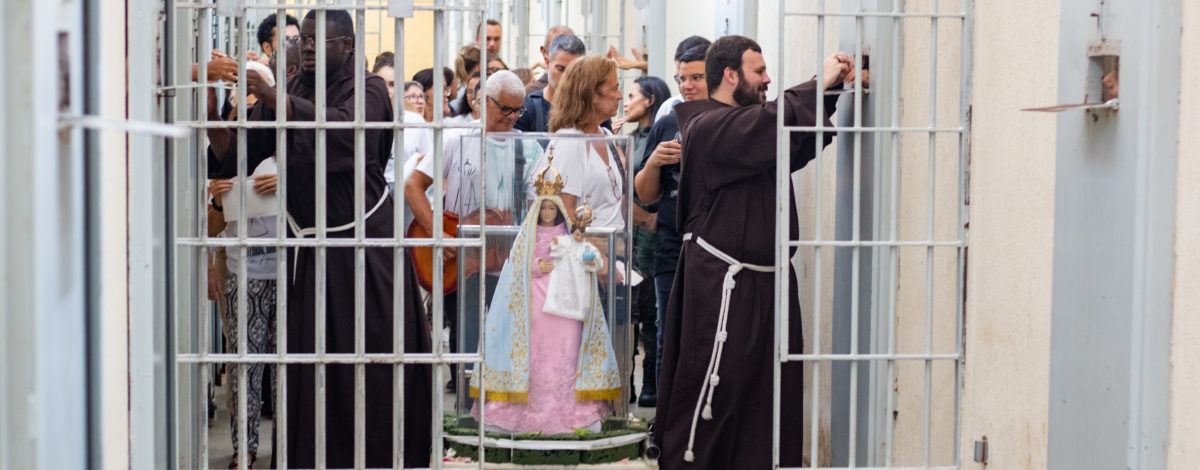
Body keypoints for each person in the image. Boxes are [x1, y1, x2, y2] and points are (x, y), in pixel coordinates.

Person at [210, 10, 433, 468]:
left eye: (317, 41)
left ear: (347, 46)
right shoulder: (291, 88)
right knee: (313, 365)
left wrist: (276, 94)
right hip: (310, 252)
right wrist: (211, 107)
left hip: (365, 249)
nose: (307, 47)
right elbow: (239, 153)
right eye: (303, 40)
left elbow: (345, 136)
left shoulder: (370, 88)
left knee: (369, 360)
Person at [652, 36, 852, 469]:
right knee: (718, 390)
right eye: (759, 72)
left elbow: (791, 139)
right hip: (724, 284)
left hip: (768, 282)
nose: (767, 80)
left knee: (768, 393)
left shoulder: (747, 130)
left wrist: (832, 92)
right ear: (730, 74)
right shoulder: (706, 127)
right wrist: (819, 83)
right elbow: (771, 122)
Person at [403, 70, 541, 394]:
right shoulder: (454, 139)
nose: (511, 117)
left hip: (506, 258)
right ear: (482, 102)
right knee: (465, 337)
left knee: (506, 334)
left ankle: (501, 406)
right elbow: (413, 186)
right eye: (504, 108)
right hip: (461, 259)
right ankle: (467, 407)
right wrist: (438, 233)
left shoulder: (529, 148)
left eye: (517, 110)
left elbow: (538, 205)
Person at [469, 159, 619, 434]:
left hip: (566, 299)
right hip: (535, 300)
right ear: (538, 209)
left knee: (566, 348)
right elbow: (516, 264)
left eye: (553, 207)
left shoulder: (568, 233)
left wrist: (587, 258)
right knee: (535, 349)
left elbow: (582, 254)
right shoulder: (528, 234)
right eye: (545, 207)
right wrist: (536, 266)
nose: (549, 213)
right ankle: (524, 410)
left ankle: (570, 409)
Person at [633, 37, 709, 396]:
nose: (686, 86)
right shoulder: (667, 122)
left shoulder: (730, 120)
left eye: (696, 77)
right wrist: (653, 162)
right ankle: (667, 420)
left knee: (709, 332)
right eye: (681, 78)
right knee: (667, 333)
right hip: (670, 245)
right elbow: (647, 195)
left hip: (715, 246)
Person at [613, 75, 671, 408]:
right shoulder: (628, 139)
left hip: (654, 228)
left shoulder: (662, 135)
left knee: (651, 309)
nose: (626, 101)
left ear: (650, 100)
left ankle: (649, 380)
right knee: (626, 308)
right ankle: (626, 383)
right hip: (628, 229)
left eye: (632, 95)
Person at [513, 34, 586, 135]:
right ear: (547, 62)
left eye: (573, 71)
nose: (566, 77)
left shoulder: (591, 108)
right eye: (561, 69)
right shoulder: (526, 109)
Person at [526, 25, 574, 94]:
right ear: (544, 52)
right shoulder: (528, 95)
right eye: (558, 47)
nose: (564, 53)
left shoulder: (584, 93)